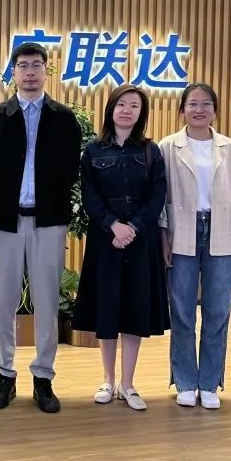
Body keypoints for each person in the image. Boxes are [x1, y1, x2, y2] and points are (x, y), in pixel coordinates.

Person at [0, 42, 82, 413]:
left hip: (48, 221)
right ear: (14, 72)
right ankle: (5, 374)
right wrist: (6, 199)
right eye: (23, 65)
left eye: (37, 65)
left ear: (45, 70)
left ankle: (43, 377)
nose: (30, 72)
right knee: (3, 301)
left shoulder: (64, 118)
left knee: (47, 301)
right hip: (6, 221)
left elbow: (71, 169)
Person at [158, 82, 231, 411]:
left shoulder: (230, 148)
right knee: (182, 312)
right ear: (182, 110)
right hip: (181, 231)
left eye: (206, 104)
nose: (199, 110)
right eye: (193, 104)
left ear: (215, 110)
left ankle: (210, 382)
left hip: (223, 231)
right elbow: (160, 196)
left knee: (217, 312)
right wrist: (163, 235)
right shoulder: (168, 147)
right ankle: (185, 381)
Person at [73, 85, 168, 411]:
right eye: (122, 104)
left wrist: (133, 227)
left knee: (134, 308)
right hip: (105, 239)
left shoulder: (151, 151)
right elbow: (89, 196)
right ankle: (108, 379)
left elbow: (157, 196)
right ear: (111, 108)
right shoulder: (93, 150)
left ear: (142, 113)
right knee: (108, 307)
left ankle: (128, 383)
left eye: (135, 106)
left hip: (141, 241)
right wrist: (113, 225)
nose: (127, 111)